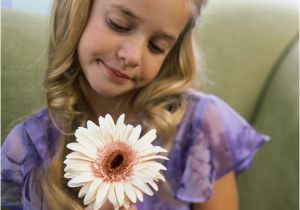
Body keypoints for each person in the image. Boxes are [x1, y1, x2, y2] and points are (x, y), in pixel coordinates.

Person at [1, 0, 269, 209]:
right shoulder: (27, 148)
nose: (132, 56)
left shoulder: (200, 126)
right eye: (118, 24)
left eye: (156, 46)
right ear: (78, 9)